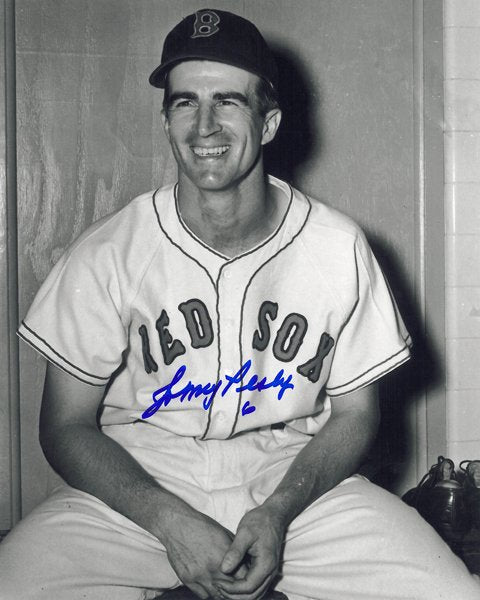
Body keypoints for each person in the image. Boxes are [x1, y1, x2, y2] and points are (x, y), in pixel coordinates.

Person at [1, 8, 479, 600]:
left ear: (268, 122)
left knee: (452, 594)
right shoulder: (109, 251)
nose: (205, 126)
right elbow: (65, 426)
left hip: (292, 476)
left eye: (228, 101)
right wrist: (168, 521)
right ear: (167, 120)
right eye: (185, 103)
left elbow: (357, 415)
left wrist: (279, 511)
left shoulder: (336, 245)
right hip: (141, 478)